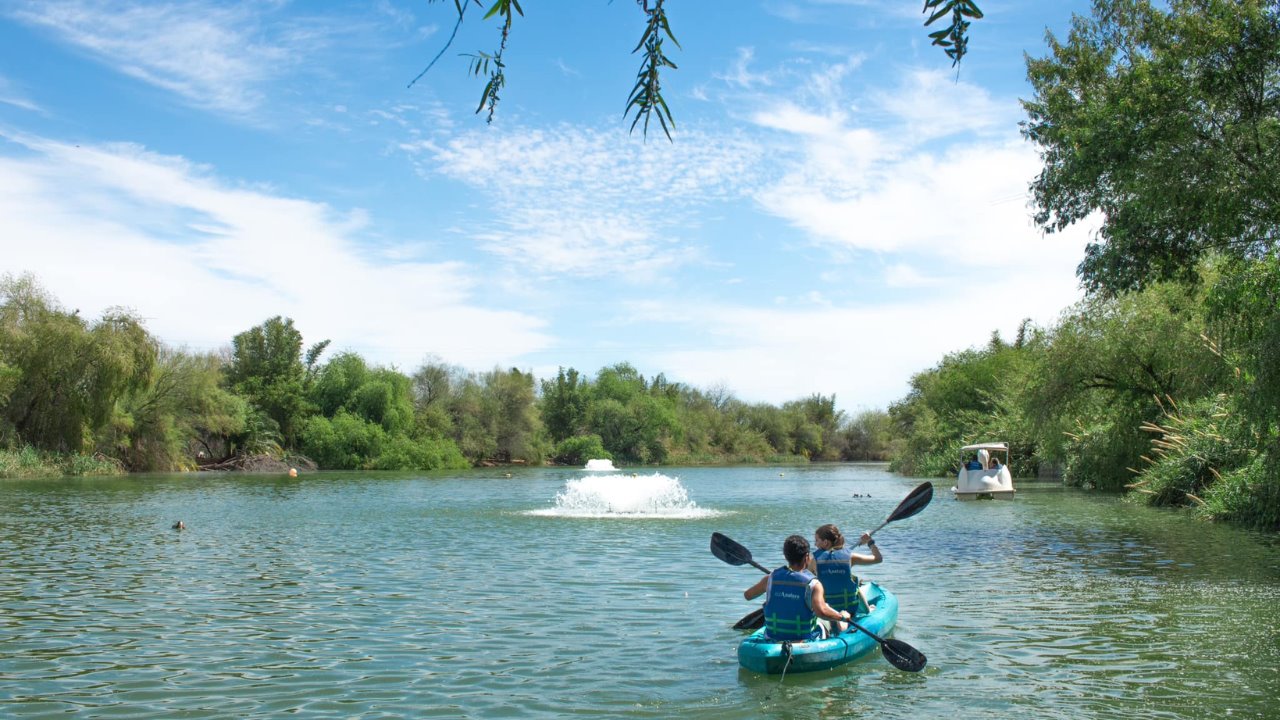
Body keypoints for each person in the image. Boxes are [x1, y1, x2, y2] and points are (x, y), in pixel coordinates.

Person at [744, 535, 851, 641]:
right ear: (807, 557)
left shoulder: (770, 579)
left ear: (785, 556)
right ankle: (840, 631)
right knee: (827, 609)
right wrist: (841, 616)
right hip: (804, 640)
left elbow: (748, 596)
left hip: (773, 637)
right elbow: (821, 612)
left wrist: (769, 586)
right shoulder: (814, 584)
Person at [809, 524, 882, 618]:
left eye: (817, 540)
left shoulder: (813, 560)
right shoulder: (850, 557)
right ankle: (868, 610)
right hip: (850, 609)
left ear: (826, 542)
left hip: (827, 611)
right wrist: (870, 542)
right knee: (855, 585)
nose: (815, 544)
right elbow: (878, 558)